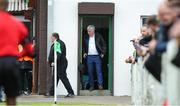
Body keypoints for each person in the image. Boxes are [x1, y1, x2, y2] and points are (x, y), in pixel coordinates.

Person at [0, 0, 34, 105]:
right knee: (11, 97)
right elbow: (28, 48)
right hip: (10, 61)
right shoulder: (16, 23)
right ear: (7, 6)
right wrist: (20, 55)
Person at [48, 33, 74, 98]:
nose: (50, 38)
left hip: (61, 63)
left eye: (51, 37)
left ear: (54, 37)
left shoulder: (58, 43)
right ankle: (52, 92)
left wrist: (54, 61)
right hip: (57, 63)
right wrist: (50, 61)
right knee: (55, 78)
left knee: (63, 77)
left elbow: (58, 54)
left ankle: (70, 92)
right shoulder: (55, 43)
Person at [83, 25, 107, 91]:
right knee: (90, 72)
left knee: (98, 71)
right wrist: (84, 52)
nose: (88, 32)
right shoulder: (86, 37)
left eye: (89, 31)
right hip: (89, 57)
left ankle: (100, 85)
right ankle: (91, 86)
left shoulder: (98, 36)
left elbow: (104, 45)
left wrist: (103, 53)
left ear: (93, 31)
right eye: (88, 31)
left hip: (97, 56)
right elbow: (84, 46)